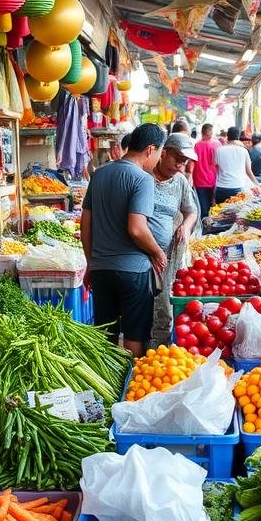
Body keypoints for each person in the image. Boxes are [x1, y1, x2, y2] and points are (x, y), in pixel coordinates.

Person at [81, 124, 168, 357]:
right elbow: (137, 229)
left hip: (101, 270)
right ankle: (131, 387)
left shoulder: (99, 174)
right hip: (133, 272)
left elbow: (85, 224)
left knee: (105, 335)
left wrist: (91, 262)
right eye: (159, 153)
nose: (158, 159)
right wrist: (158, 252)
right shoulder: (142, 179)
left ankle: (107, 387)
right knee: (134, 335)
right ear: (150, 150)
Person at [148, 133, 200, 347]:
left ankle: (159, 349)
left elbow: (192, 211)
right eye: (176, 158)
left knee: (164, 304)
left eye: (184, 161)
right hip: (141, 252)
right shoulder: (144, 176)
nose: (179, 165)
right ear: (163, 152)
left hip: (168, 254)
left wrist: (186, 227)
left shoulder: (179, 181)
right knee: (142, 304)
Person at [213, 127, 257, 203]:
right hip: (237, 187)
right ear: (238, 137)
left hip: (221, 188)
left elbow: (215, 164)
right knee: (236, 213)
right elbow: (248, 171)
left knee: (219, 213)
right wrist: (256, 183)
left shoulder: (219, 150)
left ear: (227, 136)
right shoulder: (243, 151)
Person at [191, 123, 219, 216]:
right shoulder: (217, 145)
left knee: (203, 209)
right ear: (211, 132)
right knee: (215, 209)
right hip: (213, 180)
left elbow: (192, 164)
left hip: (199, 181)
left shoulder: (197, 146)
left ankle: (204, 228)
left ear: (202, 132)